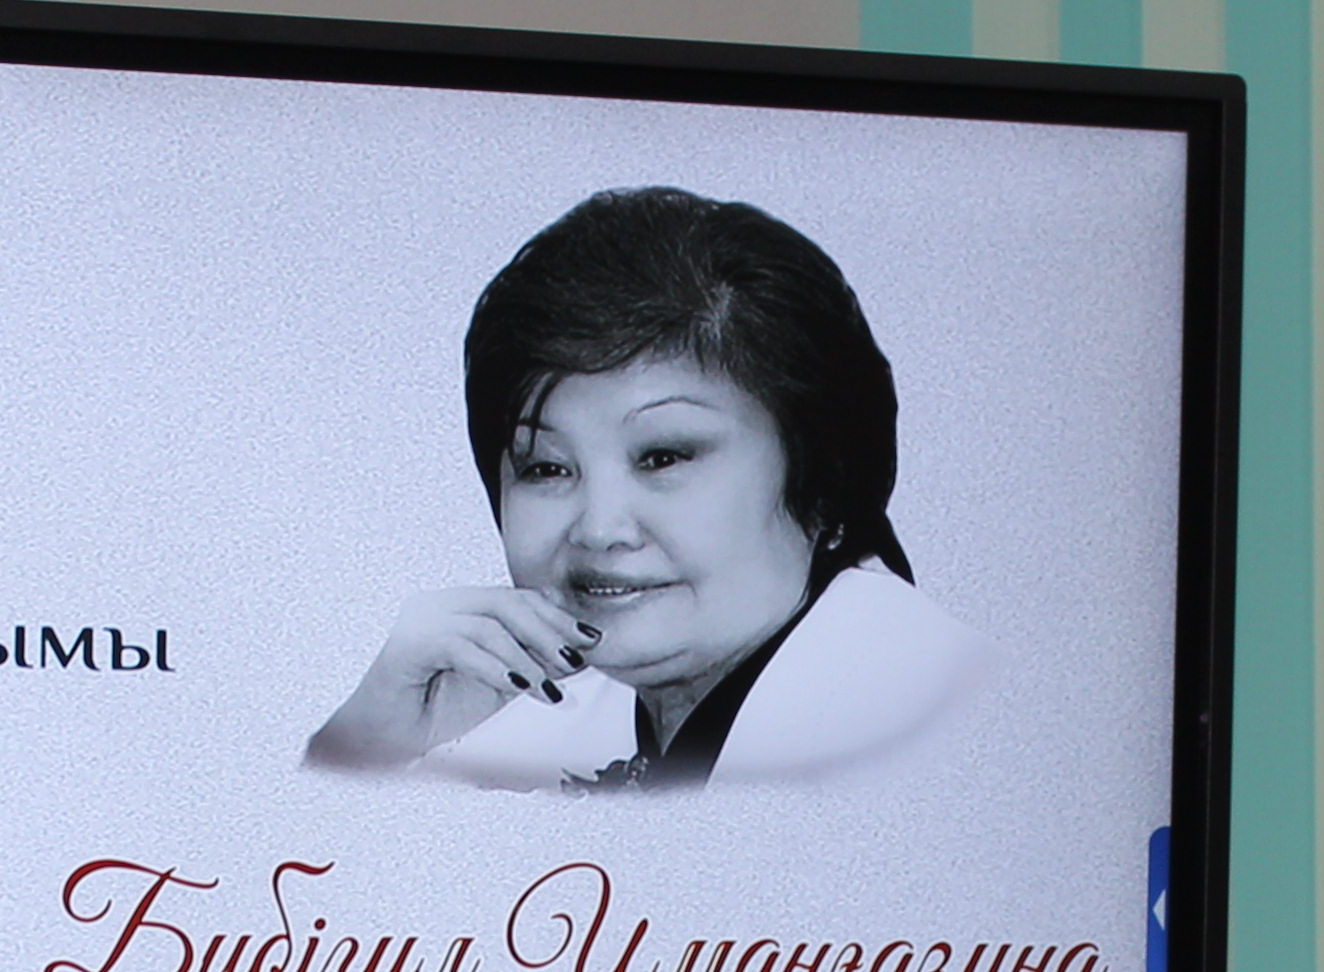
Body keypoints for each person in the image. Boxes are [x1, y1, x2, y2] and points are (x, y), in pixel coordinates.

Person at [304, 185, 976, 789]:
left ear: (826, 478)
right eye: (546, 468)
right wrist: (372, 745)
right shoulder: (543, 718)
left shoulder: (943, 732)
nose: (600, 529)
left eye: (663, 457)